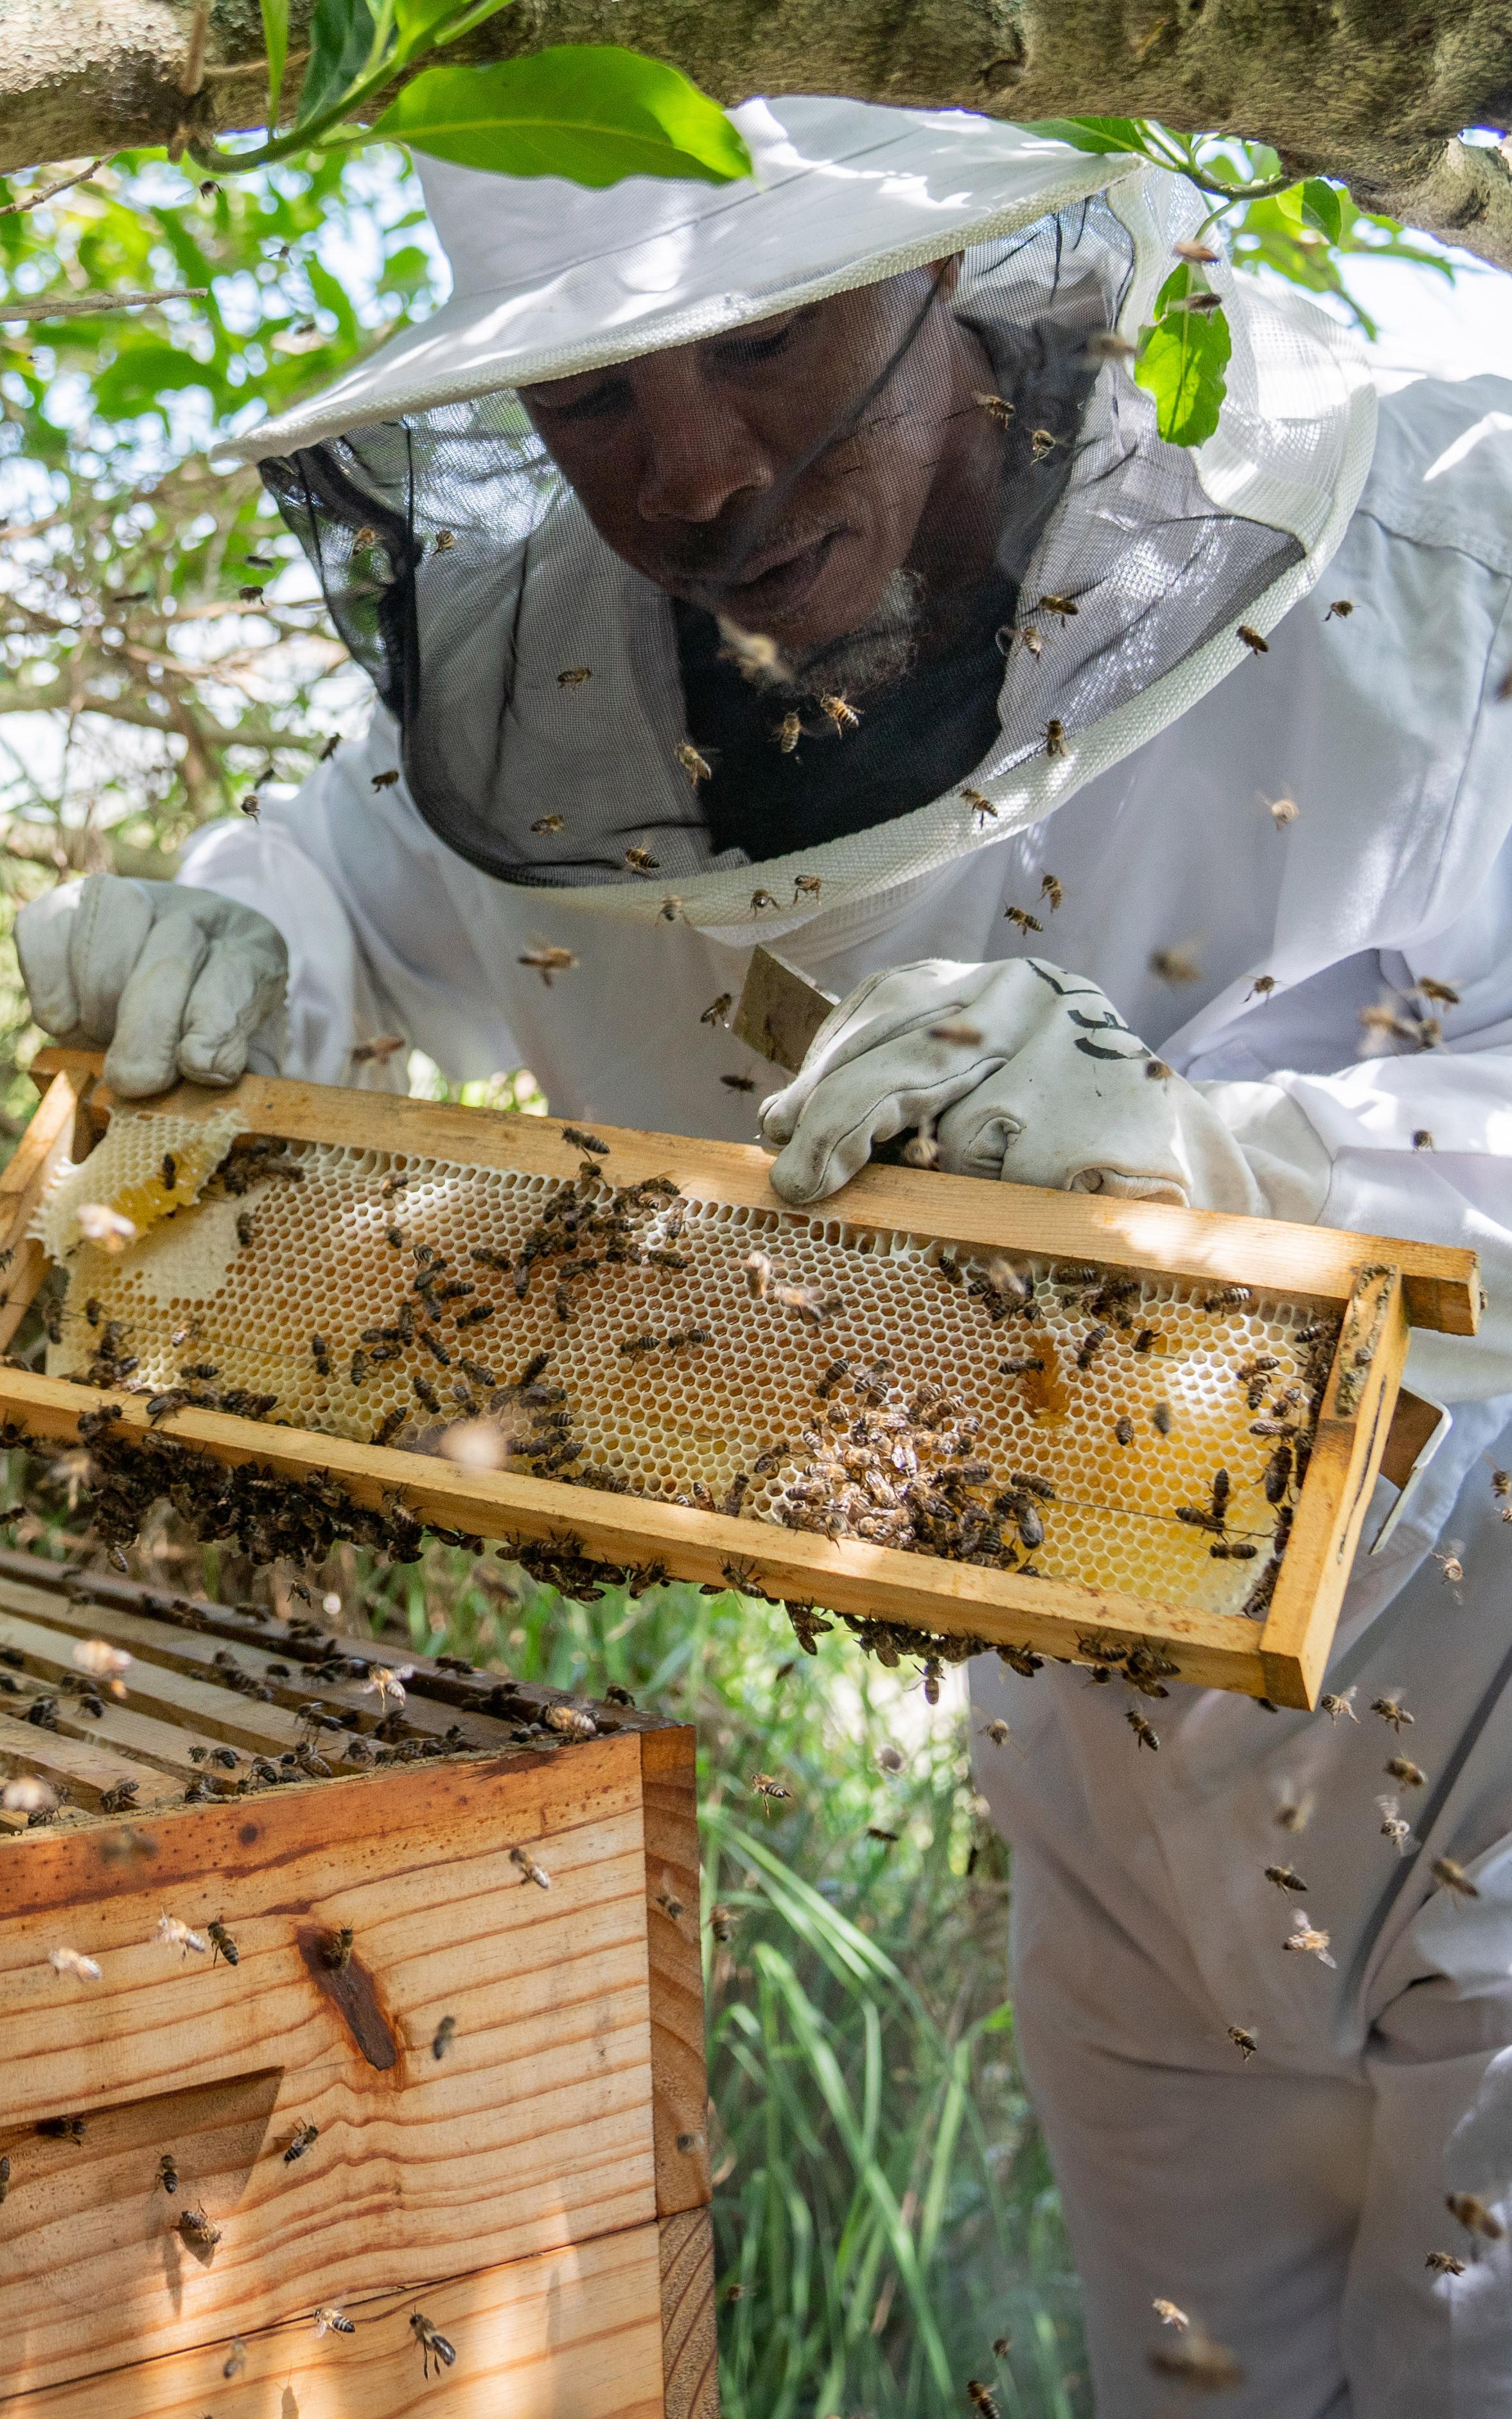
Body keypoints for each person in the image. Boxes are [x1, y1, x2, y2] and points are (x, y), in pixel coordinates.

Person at [16, 97, 1512, 2414]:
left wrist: (1224, 1161)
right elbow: (356, 867)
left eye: (774, 343)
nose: (689, 475)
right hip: (1095, 1765)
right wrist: (233, 937)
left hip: (1480, 1694)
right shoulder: (554, 660)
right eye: (591, 396)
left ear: (976, 291)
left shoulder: (1425, 549)